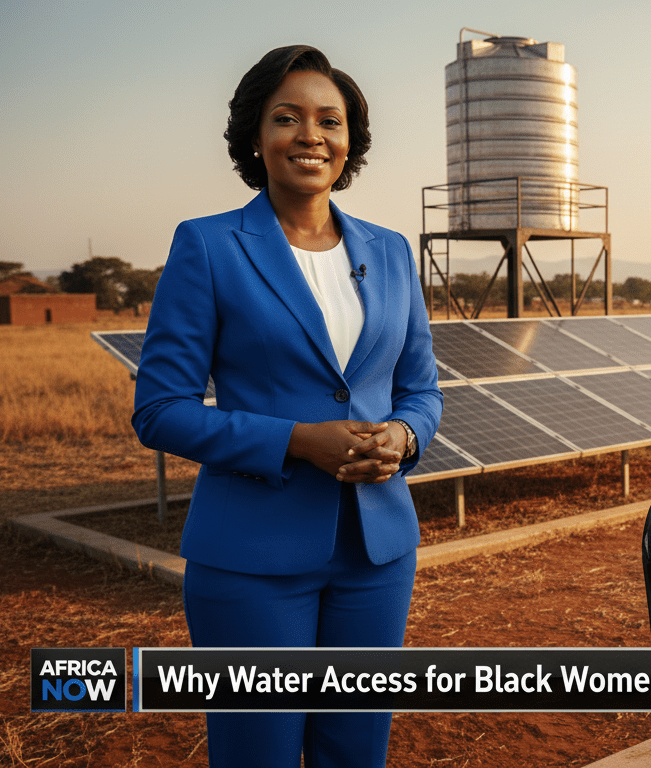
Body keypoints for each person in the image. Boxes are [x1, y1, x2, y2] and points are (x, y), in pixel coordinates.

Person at [132, 45, 442, 767]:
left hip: (377, 553)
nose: (311, 135)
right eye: (287, 118)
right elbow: (161, 408)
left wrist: (402, 435)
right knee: (257, 753)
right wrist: (297, 440)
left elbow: (421, 391)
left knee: (356, 751)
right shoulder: (208, 245)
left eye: (329, 121)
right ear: (254, 136)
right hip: (250, 559)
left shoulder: (392, 251)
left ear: (350, 141)